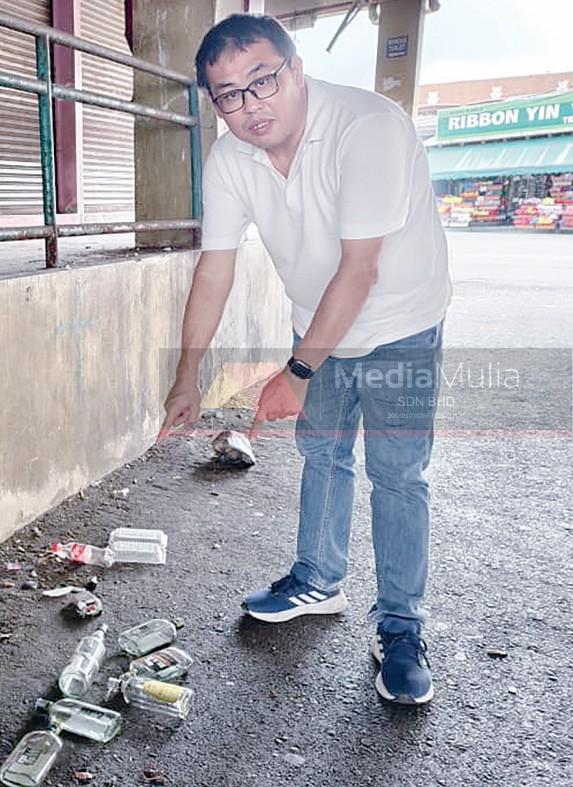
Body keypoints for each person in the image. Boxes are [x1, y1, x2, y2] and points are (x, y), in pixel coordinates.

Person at [158, 14, 451, 706]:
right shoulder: (230, 159)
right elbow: (214, 271)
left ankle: (401, 627)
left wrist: (296, 372)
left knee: (397, 473)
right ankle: (318, 580)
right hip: (314, 323)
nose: (249, 105)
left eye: (262, 80)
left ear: (295, 69)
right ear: (214, 102)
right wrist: (186, 375)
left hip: (402, 323)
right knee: (322, 452)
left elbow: (359, 269)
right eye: (228, 94)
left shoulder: (366, 127)